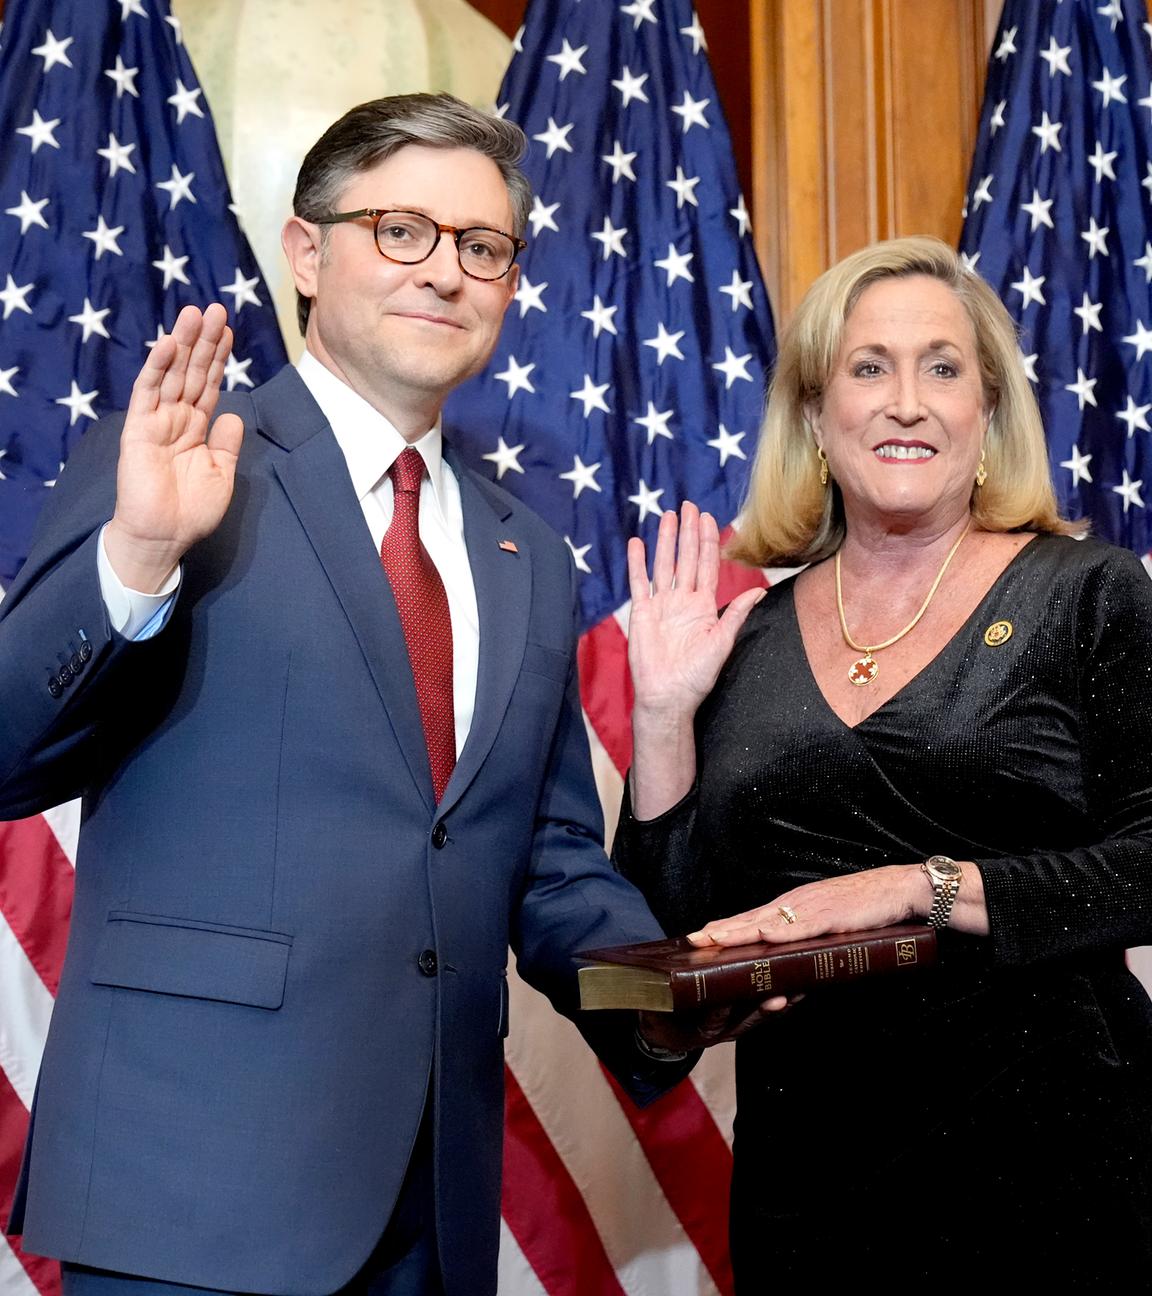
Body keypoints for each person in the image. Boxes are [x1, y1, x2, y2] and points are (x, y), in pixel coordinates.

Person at [0, 94, 684, 1296]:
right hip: (194, 1195)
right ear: (308, 254)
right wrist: (140, 558)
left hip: (435, 1206)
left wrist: (673, 994)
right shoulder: (178, 457)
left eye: (482, 246)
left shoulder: (530, 550)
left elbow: (547, 860)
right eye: (403, 230)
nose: (447, 272)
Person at [617, 236, 1152, 1287]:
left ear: (988, 414)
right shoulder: (750, 635)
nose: (907, 402)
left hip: (1060, 1169)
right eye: (869, 367)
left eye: (943, 368)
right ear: (816, 417)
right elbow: (671, 950)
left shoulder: (1091, 592)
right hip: (813, 1180)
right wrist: (662, 714)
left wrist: (919, 890)